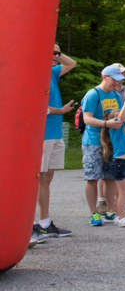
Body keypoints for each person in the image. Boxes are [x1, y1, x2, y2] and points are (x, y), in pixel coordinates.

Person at [32, 43, 77, 240]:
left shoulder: (51, 72)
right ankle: (30, 225)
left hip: (55, 132)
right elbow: (37, 106)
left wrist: (54, 51)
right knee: (36, 179)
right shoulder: (34, 73)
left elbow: (72, 63)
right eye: (52, 52)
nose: (57, 56)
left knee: (47, 178)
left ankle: (44, 223)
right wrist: (61, 111)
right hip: (42, 134)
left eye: (58, 52)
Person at [81, 65, 125, 226]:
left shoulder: (115, 94)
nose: (117, 83)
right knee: (92, 177)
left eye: (119, 80)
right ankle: (93, 213)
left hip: (110, 141)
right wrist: (106, 123)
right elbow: (87, 118)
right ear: (105, 76)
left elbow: (120, 115)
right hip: (93, 141)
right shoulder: (93, 94)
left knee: (110, 177)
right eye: (114, 79)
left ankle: (110, 210)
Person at [100, 93, 125, 227]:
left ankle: (118, 216)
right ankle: (122, 218)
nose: (121, 120)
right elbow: (121, 118)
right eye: (118, 118)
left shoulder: (121, 133)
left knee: (121, 191)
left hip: (123, 162)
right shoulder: (114, 129)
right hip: (119, 163)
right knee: (122, 192)